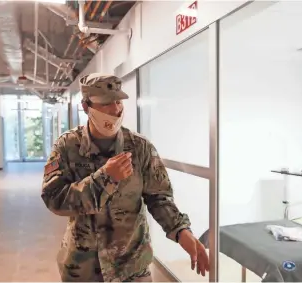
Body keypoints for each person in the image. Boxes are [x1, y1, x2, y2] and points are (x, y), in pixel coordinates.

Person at [41, 73, 209, 282]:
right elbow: (54, 198)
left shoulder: (139, 147)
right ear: (86, 107)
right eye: (106, 103)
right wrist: (105, 177)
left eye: (118, 101)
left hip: (131, 265)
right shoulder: (66, 146)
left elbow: (159, 197)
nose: (115, 109)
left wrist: (180, 231)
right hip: (83, 268)